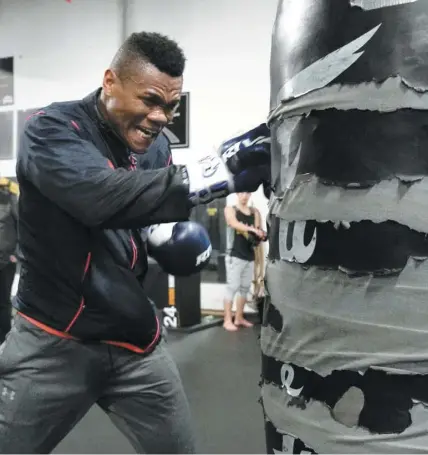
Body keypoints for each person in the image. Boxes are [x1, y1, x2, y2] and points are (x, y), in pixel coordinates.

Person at [0, 31, 270, 454]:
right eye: (150, 100)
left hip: (134, 340)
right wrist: (221, 167)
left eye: (171, 106)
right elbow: (96, 197)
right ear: (110, 82)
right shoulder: (52, 130)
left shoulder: (157, 147)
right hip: (52, 340)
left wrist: (160, 236)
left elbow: (137, 210)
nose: (161, 116)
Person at [223, 192, 266, 331]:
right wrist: (251, 229)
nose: (244, 196)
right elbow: (232, 223)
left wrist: (261, 235)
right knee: (232, 287)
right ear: (237, 193)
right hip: (234, 255)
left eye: (247, 193)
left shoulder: (255, 213)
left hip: (249, 255)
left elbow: (257, 232)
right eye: (242, 192)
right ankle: (227, 320)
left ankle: (239, 317)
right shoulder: (230, 209)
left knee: (245, 288)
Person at [0, 177, 18, 344]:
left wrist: (16, 253)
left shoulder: (10, 199)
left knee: (4, 302)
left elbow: (23, 226)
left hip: (5, 260)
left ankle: (4, 339)